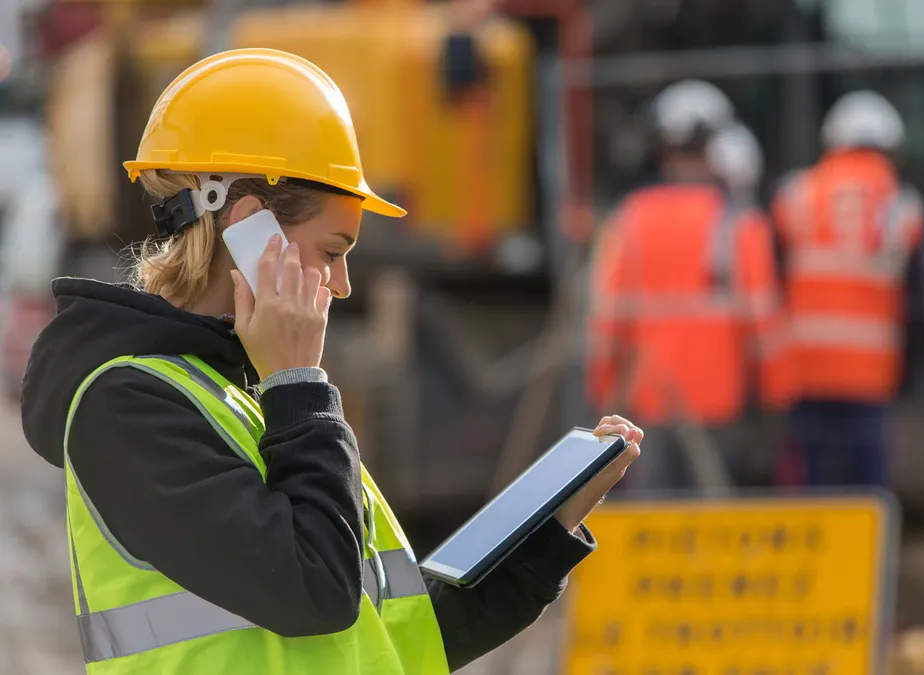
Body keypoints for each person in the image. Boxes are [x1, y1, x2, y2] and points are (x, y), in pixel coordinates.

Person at [19, 48, 643, 675]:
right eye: (333, 249)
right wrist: (296, 382)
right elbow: (319, 590)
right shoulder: (126, 406)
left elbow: (399, 643)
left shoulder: (246, 402)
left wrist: (549, 533)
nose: (343, 283)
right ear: (249, 229)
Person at [586, 81, 786, 492]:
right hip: (719, 407)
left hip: (649, 406)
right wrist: (776, 403)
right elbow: (763, 328)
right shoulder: (741, 225)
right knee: (712, 529)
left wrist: (604, 394)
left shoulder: (629, 220)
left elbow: (608, 324)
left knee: (655, 528)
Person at [770, 90, 924, 489]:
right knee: (866, 489)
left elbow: (771, 275)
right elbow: (920, 299)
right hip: (870, 373)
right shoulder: (901, 206)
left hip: (806, 368)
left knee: (813, 484)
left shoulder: (796, 195)